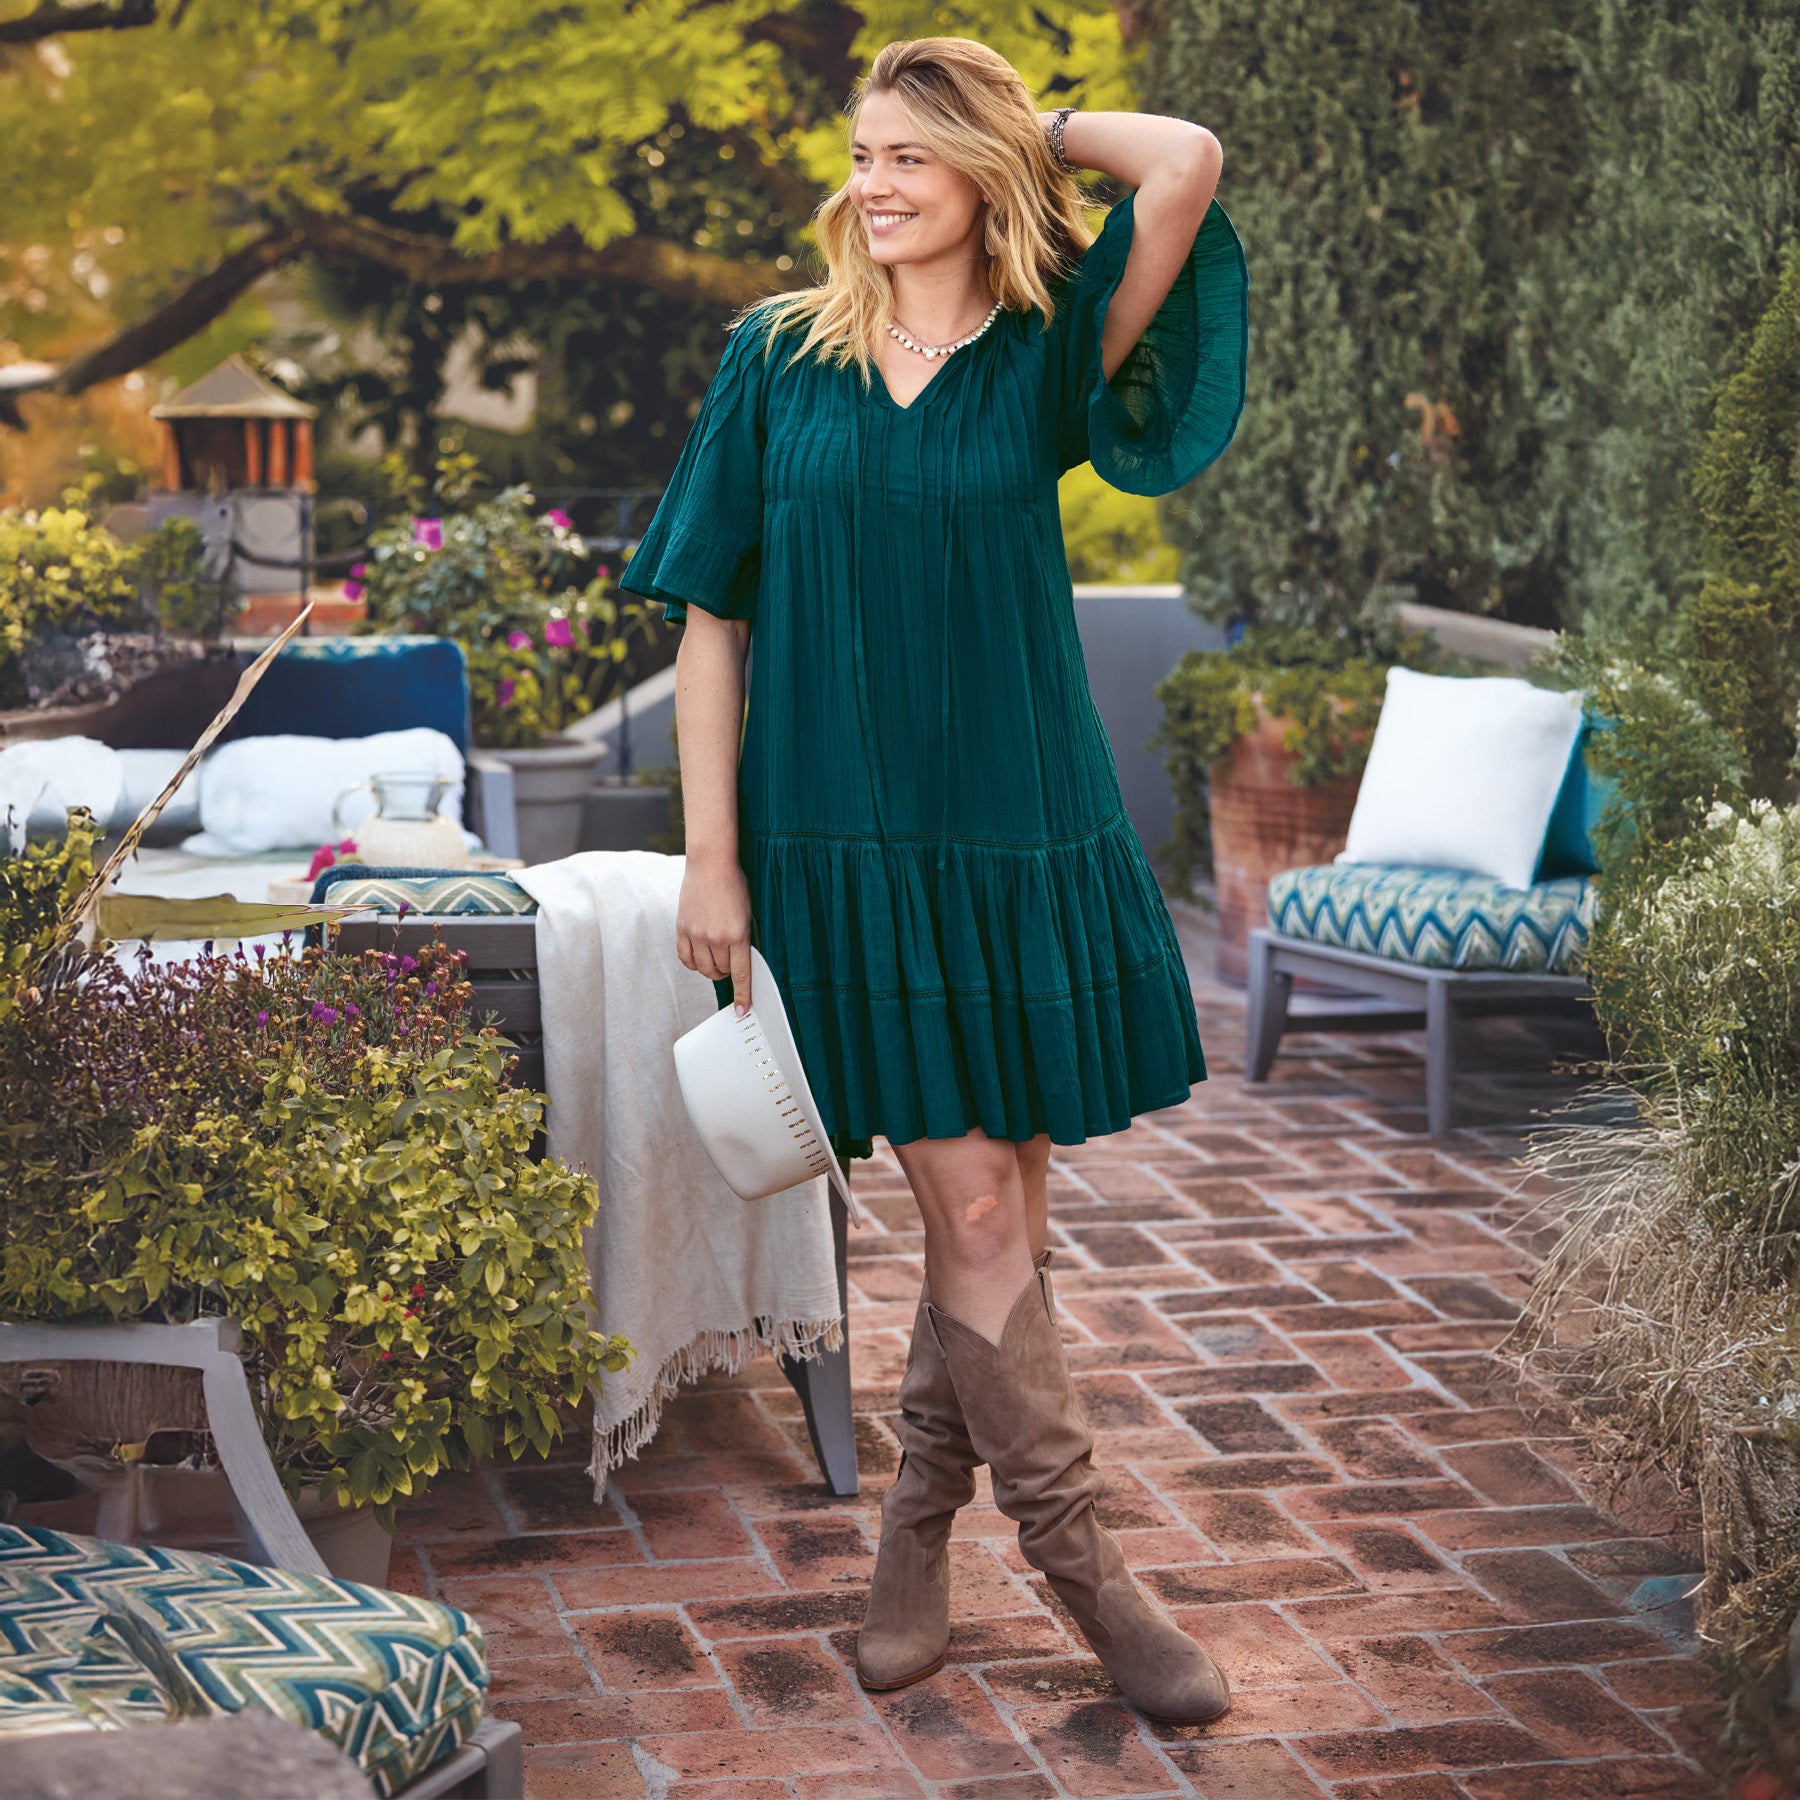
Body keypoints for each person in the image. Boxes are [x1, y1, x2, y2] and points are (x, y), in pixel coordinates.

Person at [618, 36, 1248, 1727]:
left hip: (1018, 835)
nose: (874, 183)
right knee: (974, 1210)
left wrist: (1029, 121)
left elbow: (1182, 160)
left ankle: (911, 1547)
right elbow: (709, 628)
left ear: (979, 171)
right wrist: (713, 857)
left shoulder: (1047, 352)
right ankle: (1096, 1584)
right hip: (837, 850)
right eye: (863, 153)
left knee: (1003, 1217)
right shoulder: (777, 356)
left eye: (910, 152)